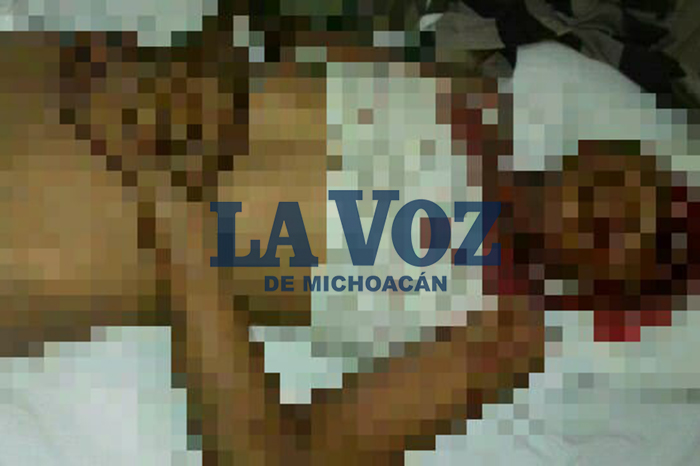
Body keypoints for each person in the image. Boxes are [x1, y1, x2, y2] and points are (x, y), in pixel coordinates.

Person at [0, 7, 690, 466]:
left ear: (611, 298)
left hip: (38, 231)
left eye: (656, 250)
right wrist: (212, 59)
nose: (634, 215)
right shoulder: (464, 96)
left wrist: (175, 208)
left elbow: (265, 456)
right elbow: (265, 37)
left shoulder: (500, 323)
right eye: (666, 199)